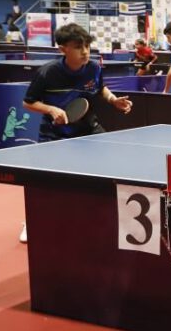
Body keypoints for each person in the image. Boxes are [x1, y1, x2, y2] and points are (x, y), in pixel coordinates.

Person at [20, 23, 133, 243]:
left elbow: (99, 88)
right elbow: (28, 103)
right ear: (63, 49)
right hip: (55, 133)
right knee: (44, 181)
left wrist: (112, 100)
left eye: (87, 46)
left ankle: (98, 216)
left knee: (109, 168)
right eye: (78, 47)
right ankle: (30, 220)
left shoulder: (93, 67)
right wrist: (51, 109)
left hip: (88, 129)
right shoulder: (47, 73)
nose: (85, 52)